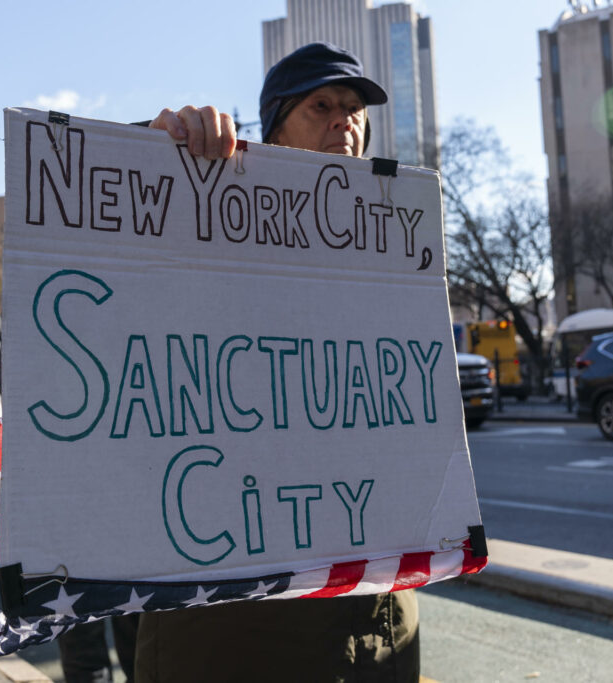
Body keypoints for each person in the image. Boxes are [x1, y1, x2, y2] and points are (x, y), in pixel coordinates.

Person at [136, 42, 420, 683]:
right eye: (321, 105)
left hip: (375, 618)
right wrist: (151, 152)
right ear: (273, 128)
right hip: (237, 622)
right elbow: (121, 269)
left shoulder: (394, 248)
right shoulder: (205, 224)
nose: (344, 120)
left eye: (354, 109)